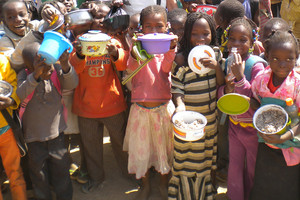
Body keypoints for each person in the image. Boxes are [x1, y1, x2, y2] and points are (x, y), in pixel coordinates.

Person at [69, 6, 129, 193]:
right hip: (86, 106)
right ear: (88, 20)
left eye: (105, 17)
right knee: (91, 146)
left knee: (120, 142)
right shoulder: (80, 42)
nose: (101, 21)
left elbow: (123, 64)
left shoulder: (112, 41)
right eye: (97, 17)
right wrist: (80, 54)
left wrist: (114, 53)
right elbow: (74, 69)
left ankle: (129, 174)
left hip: (112, 103)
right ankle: (96, 178)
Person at [168, 12, 225, 200]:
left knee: (207, 159)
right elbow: (176, 87)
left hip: (209, 121)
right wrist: (179, 105)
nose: (200, 39)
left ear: (213, 34)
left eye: (205, 34)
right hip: (188, 121)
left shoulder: (215, 54)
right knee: (186, 157)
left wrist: (216, 67)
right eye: (195, 34)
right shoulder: (181, 59)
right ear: (187, 34)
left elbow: (220, 83)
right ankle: (184, 194)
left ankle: (204, 193)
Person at [123, 5, 177, 200]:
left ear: (167, 27)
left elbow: (165, 69)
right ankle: (144, 185)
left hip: (163, 109)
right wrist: (136, 50)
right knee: (141, 151)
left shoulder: (168, 47)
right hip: (140, 109)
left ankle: (163, 184)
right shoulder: (135, 47)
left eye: (159, 26)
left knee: (164, 150)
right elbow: (130, 68)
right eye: (148, 27)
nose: (154, 31)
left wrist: (170, 48)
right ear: (141, 28)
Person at [17, 42, 78, 200]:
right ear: (29, 67)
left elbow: (72, 83)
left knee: (62, 174)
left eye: (48, 61)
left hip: (57, 135)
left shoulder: (56, 71)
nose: (47, 68)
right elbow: (21, 94)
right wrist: (35, 76)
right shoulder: (24, 76)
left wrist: (65, 64)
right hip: (33, 139)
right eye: (39, 64)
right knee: (39, 176)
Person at [218, 17, 267, 200]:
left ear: (252, 42)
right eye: (232, 38)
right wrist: (226, 89)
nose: (236, 43)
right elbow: (221, 93)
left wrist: (240, 78)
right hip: (234, 125)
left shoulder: (256, 65)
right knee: (235, 166)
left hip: (252, 127)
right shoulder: (228, 61)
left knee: (252, 168)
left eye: (243, 39)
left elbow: (257, 101)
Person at [250, 30, 300, 200]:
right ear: (267, 57)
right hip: (266, 143)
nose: (282, 64)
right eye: (275, 59)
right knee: (264, 187)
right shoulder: (261, 79)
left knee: (287, 188)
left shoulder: (297, 84)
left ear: (296, 57)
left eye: (289, 59)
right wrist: (261, 118)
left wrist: (285, 136)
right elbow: (253, 99)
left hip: (290, 146)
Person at [0, 54, 27, 200]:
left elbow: (13, 85)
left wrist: (10, 100)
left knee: (15, 172)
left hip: (5, 128)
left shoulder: (1, 60)